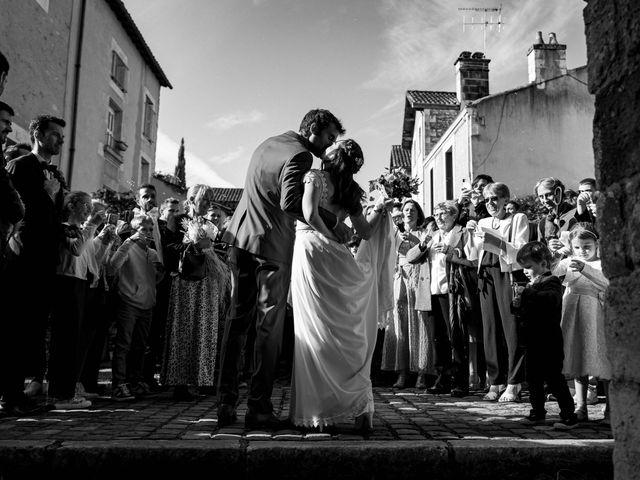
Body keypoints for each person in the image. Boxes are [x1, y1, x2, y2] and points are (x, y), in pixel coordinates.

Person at [216, 109, 348, 429]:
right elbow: (291, 203)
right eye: (330, 137)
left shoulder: (267, 144)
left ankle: (225, 403)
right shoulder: (301, 155)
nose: (330, 145)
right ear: (313, 129)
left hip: (240, 239)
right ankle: (259, 408)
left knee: (236, 324)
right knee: (267, 329)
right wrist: (334, 224)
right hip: (271, 248)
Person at [289, 139, 395, 431]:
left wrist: (330, 234)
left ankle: (319, 412)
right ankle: (362, 408)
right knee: (345, 330)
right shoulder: (351, 190)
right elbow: (364, 231)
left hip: (312, 251)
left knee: (315, 330)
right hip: (336, 258)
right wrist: (379, 209)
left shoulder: (315, 177)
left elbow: (309, 214)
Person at [6, 114, 67, 400]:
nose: (61, 140)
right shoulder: (19, 166)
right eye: (55, 134)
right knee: (16, 325)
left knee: (37, 325)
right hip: (24, 257)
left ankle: (30, 388)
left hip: (47, 259)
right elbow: (16, 210)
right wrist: (47, 194)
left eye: (62, 136)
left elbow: (56, 216)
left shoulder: (57, 175)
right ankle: (11, 394)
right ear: (38, 135)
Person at [161, 185, 231, 400]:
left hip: (208, 282)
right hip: (185, 282)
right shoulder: (178, 220)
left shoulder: (210, 224)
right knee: (184, 330)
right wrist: (193, 246)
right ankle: (180, 383)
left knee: (206, 330)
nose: (209, 204)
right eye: (204, 200)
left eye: (211, 200)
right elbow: (168, 248)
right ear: (191, 200)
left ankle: (203, 379)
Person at [465, 182, 529, 402]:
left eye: (495, 199)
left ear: (504, 200)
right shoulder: (482, 221)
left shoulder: (517, 219)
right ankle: (495, 380)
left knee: (512, 329)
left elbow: (520, 251)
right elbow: (473, 255)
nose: (490, 203)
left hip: (507, 275)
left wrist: (490, 238)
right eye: (487, 199)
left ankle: (514, 382)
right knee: (490, 329)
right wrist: (471, 235)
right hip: (486, 276)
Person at [407, 200, 475, 397]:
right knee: (439, 338)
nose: (438, 217)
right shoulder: (432, 235)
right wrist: (423, 243)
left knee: (456, 336)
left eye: (443, 214)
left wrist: (451, 252)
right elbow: (411, 257)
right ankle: (442, 379)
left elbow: (472, 258)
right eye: (436, 214)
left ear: (454, 216)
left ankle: (460, 382)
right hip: (432, 292)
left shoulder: (462, 232)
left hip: (452, 291)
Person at [47, 191, 106, 409]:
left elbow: (91, 260)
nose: (90, 211)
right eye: (86, 206)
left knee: (74, 339)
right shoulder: (64, 226)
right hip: (66, 283)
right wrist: (91, 225)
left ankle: (65, 391)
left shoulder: (80, 230)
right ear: (72, 205)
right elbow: (76, 250)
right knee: (65, 339)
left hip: (79, 283)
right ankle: (60, 394)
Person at [512, 241, 578, 430]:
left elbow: (549, 301)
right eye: (523, 267)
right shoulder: (532, 284)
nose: (525, 271)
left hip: (549, 340)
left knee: (554, 379)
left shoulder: (552, 281)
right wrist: (516, 303)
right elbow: (521, 310)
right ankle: (538, 412)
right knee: (533, 379)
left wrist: (527, 293)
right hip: (532, 340)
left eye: (528, 267)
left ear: (543, 264)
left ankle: (568, 414)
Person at [553, 223, 611, 425]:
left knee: (599, 357)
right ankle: (581, 406)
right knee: (577, 357)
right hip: (572, 310)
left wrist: (585, 268)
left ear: (597, 244)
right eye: (577, 247)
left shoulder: (602, 263)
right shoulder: (570, 260)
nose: (582, 251)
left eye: (587, 246)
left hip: (594, 313)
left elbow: (606, 283)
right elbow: (551, 270)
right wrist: (556, 253)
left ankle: (610, 410)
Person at [109, 214, 164, 401]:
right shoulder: (128, 247)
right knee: (123, 344)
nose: (147, 233)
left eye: (150, 229)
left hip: (147, 304)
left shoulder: (153, 253)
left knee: (140, 346)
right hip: (129, 302)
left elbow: (157, 279)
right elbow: (112, 266)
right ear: (134, 231)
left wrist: (159, 272)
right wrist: (129, 242)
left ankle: (135, 381)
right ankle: (118, 384)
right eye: (143, 229)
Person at [380, 198, 433, 389]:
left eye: (412, 210)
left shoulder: (424, 232)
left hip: (418, 276)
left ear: (418, 214)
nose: (409, 212)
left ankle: (421, 373)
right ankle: (401, 373)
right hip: (399, 278)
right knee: (400, 324)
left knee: (420, 323)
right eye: (406, 210)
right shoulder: (395, 232)